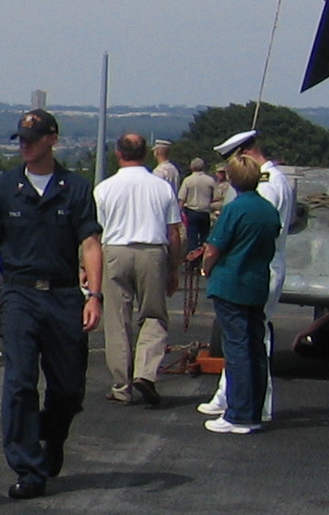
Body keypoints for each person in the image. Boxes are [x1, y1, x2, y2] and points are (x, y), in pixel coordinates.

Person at [0, 108, 103, 501]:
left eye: (32, 139)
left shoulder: (74, 188)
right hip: (19, 294)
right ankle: (28, 469)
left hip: (62, 294)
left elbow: (90, 243)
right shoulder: (6, 187)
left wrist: (94, 295)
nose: (24, 146)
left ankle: (51, 435)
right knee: (20, 382)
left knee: (69, 387)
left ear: (52, 140)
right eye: (21, 140)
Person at [198, 129, 296, 423]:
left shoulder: (265, 186)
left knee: (248, 342)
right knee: (244, 340)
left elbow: (248, 230)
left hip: (250, 267)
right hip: (262, 264)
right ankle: (230, 397)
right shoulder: (276, 179)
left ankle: (250, 405)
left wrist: (211, 263)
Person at [94, 130, 185, 406]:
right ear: (145, 154)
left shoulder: (104, 188)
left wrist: (87, 269)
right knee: (153, 315)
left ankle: (121, 385)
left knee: (117, 320)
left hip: (115, 250)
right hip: (151, 251)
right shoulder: (162, 187)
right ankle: (145, 372)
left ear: (118, 154)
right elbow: (174, 232)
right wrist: (173, 268)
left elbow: (95, 234)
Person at [178, 156, 219, 251]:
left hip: (192, 211)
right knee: (205, 236)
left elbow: (182, 198)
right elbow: (215, 197)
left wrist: (179, 212)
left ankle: (192, 256)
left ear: (191, 167)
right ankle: (204, 255)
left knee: (192, 237)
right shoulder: (210, 180)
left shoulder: (187, 180)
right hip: (205, 211)